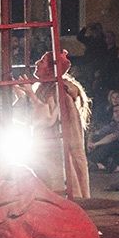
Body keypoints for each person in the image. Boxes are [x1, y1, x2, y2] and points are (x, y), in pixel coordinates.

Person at [31, 51, 91, 198]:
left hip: (58, 146)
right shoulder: (46, 88)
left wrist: (30, 96)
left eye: (42, 61)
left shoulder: (58, 91)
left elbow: (48, 118)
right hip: (52, 145)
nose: (37, 63)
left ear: (52, 69)